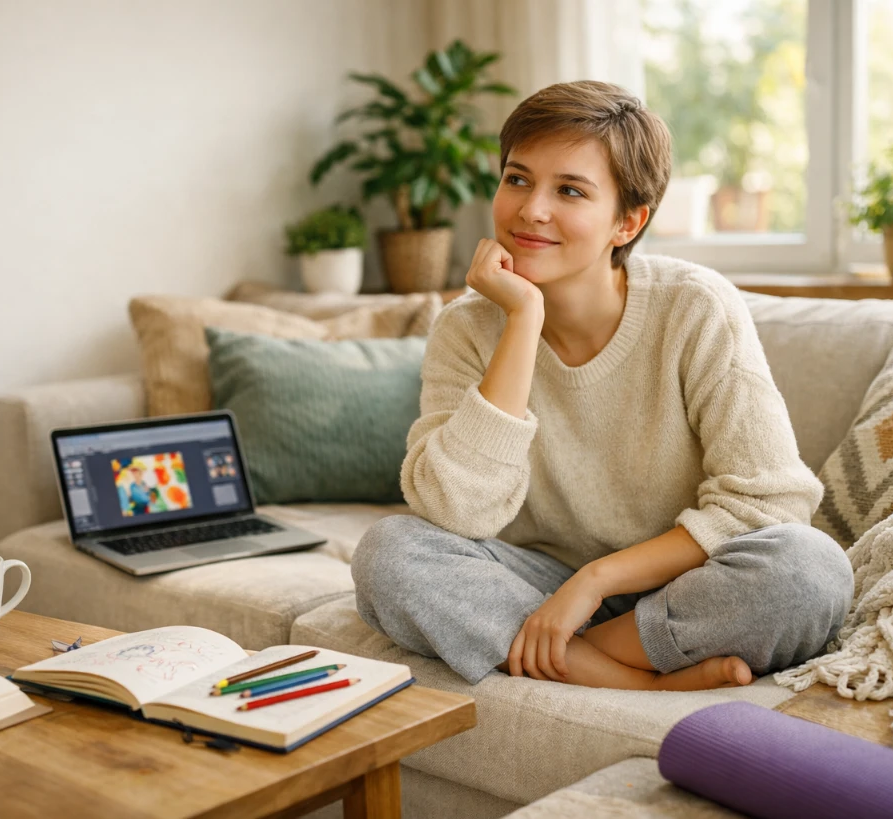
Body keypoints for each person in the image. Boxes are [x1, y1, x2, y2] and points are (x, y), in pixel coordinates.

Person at [351, 81, 854, 692]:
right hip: (532, 582)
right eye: (517, 178)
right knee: (389, 555)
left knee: (811, 570)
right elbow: (455, 511)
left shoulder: (695, 306)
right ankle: (637, 679)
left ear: (628, 221)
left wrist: (594, 583)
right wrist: (522, 320)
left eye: (569, 190)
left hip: (681, 584)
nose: (532, 209)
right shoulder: (466, 326)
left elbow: (769, 503)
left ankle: (565, 650)